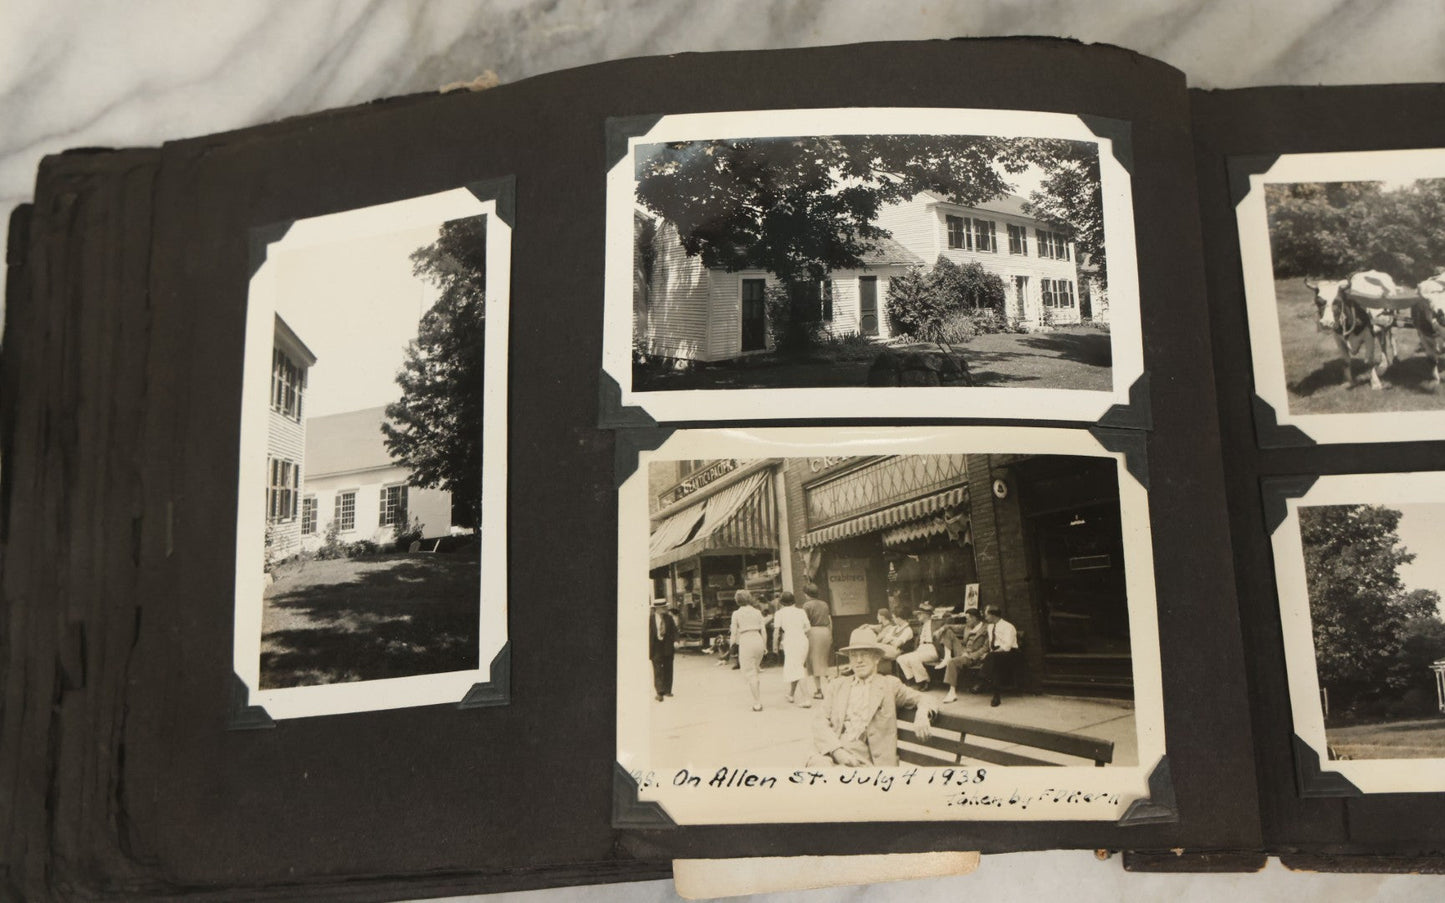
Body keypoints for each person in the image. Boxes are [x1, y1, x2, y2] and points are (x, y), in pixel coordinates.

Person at [807, 642, 937, 768]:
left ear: (876, 658)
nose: (859, 660)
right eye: (853, 655)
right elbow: (819, 720)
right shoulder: (838, 685)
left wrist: (922, 714)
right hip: (833, 750)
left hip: (867, 761)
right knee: (817, 765)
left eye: (864, 654)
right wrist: (836, 750)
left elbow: (926, 698)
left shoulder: (889, 685)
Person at [937, 609, 988, 703]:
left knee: (952, 662)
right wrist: (942, 628)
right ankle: (947, 656)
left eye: (967, 618)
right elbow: (951, 627)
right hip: (963, 651)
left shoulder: (986, 628)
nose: (966, 620)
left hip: (972, 657)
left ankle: (952, 693)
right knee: (947, 631)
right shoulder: (967, 627)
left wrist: (971, 655)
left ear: (974, 618)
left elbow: (985, 648)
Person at [771, 591, 813, 707]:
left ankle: (806, 699)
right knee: (797, 666)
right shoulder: (801, 611)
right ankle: (791, 694)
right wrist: (799, 632)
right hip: (803, 640)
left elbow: (776, 632)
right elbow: (808, 628)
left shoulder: (779, 613)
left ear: (781, 602)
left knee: (797, 668)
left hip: (790, 641)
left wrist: (774, 646)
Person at [729, 589, 767, 712]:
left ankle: (757, 702)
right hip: (758, 639)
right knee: (755, 670)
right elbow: (764, 630)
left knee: (750, 673)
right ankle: (757, 696)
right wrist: (765, 645)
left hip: (746, 640)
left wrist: (732, 645)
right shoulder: (757, 612)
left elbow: (733, 632)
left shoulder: (736, 614)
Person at [895, 603, 948, 689]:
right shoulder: (921, 627)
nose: (918, 616)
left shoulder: (936, 623)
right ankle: (912, 679)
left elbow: (948, 624)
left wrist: (941, 629)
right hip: (921, 649)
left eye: (920, 614)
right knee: (900, 658)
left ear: (926, 615)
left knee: (913, 659)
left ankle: (925, 681)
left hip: (932, 649)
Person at [977, 604, 1020, 707]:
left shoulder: (1008, 627)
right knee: (994, 663)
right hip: (995, 656)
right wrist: (989, 654)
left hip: (1010, 655)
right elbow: (992, 645)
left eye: (987, 615)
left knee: (992, 658)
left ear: (993, 615)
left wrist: (989, 655)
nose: (985, 617)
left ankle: (982, 681)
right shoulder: (990, 626)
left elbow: (1007, 647)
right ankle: (996, 697)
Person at [800, 583, 832, 700]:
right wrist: (830, 633)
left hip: (813, 632)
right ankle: (830, 683)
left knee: (814, 662)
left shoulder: (806, 605)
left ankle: (819, 691)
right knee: (823, 659)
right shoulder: (824, 604)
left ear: (807, 594)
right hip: (825, 632)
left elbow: (805, 623)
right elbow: (829, 620)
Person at [648, 598, 678, 702]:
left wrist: (676, 641)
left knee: (668, 667)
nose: (666, 608)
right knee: (657, 669)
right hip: (655, 646)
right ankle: (659, 692)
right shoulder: (650, 619)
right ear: (657, 608)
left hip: (667, 645)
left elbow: (674, 630)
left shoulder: (669, 618)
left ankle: (668, 690)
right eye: (664, 607)